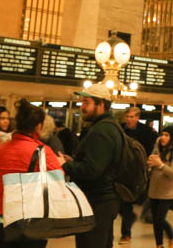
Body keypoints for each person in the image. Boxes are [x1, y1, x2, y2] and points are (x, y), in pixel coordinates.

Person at [0, 100, 64, 248]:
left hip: (1, 216)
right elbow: (59, 183)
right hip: (32, 220)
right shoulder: (43, 151)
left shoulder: (2, 148)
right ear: (39, 126)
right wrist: (60, 164)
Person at [62, 82, 124, 248]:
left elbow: (92, 170)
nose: (82, 107)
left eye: (87, 103)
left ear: (101, 104)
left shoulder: (101, 131)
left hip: (98, 201)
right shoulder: (109, 126)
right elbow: (100, 163)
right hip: (104, 200)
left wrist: (65, 165)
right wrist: (73, 162)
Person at [119, 107, 158, 244]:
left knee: (127, 202)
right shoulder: (120, 129)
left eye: (132, 117)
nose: (129, 119)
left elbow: (151, 149)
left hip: (137, 171)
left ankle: (126, 233)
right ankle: (128, 222)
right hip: (121, 170)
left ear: (137, 118)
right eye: (127, 117)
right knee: (121, 203)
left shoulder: (146, 131)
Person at [148, 126, 173, 248]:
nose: (163, 137)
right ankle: (159, 245)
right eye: (162, 134)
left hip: (167, 193)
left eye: (167, 135)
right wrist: (149, 165)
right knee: (155, 221)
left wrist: (160, 165)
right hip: (153, 190)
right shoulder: (156, 150)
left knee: (159, 218)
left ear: (172, 137)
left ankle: (172, 238)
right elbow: (150, 167)